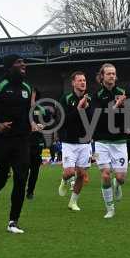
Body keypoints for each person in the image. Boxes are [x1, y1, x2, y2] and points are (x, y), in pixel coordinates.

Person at [0, 54, 34, 234]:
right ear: (9, 67)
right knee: (1, 178)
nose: (23, 64)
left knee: (20, 178)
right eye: (19, 62)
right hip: (1, 141)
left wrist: (33, 123)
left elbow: (28, 112)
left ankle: (13, 222)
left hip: (21, 140)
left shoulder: (27, 87)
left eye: (23, 62)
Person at [92, 63, 128, 219]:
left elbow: (128, 114)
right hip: (101, 141)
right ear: (102, 76)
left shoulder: (122, 93)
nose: (112, 76)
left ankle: (117, 185)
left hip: (119, 141)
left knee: (120, 178)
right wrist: (116, 106)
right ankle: (110, 208)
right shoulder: (96, 95)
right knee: (105, 175)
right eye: (109, 74)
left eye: (114, 73)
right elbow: (97, 116)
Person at [57, 71, 92, 211]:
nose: (83, 82)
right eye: (79, 80)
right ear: (73, 83)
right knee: (70, 172)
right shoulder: (65, 99)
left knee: (82, 175)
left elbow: (92, 119)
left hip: (84, 142)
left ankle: (73, 202)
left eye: (84, 80)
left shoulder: (90, 99)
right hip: (69, 142)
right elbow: (63, 120)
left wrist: (87, 110)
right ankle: (64, 180)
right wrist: (78, 109)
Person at [26, 88, 47, 200]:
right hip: (24, 143)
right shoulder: (22, 108)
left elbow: (49, 121)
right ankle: (20, 189)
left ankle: (30, 192)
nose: (31, 96)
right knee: (23, 169)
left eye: (33, 94)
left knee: (35, 170)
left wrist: (43, 126)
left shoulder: (41, 109)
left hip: (37, 143)